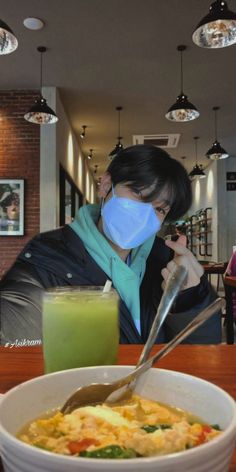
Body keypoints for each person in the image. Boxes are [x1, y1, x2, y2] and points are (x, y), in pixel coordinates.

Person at [0, 145, 222, 346]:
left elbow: (204, 348)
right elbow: (15, 353)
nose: (146, 214)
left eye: (160, 209)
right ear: (106, 186)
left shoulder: (164, 259)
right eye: (139, 195)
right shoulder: (46, 259)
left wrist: (188, 298)